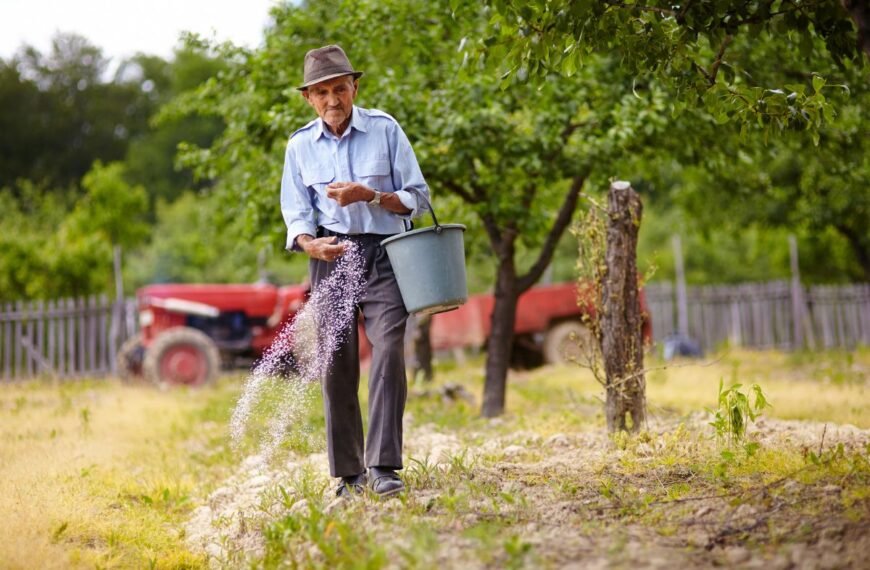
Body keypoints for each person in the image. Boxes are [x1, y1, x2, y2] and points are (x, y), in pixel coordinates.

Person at [280, 45, 429, 498]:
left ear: (354, 88)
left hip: (386, 252)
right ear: (308, 97)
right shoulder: (299, 145)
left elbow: (417, 198)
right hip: (331, 257)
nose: (332, 100)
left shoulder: (385, 130)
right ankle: (349, 476)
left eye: (339, 89)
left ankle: (383, 468)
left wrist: (371, 195)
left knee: (387, 350)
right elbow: (296, 213)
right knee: (337, 365)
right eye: (321, 92)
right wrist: (310, 243)